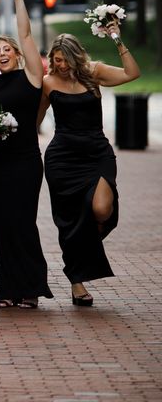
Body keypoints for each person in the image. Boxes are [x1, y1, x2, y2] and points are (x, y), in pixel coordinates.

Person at [41, 28, 140, 306]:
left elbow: (132, 73)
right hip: (62, 159)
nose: (60, 65)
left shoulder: (93, 72)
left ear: (76, 57)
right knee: (71, 222)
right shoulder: (48, 83)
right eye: (56, 60)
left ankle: (84, 251)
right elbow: (34, 120)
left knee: (101, 209)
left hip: (97, 152)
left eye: (64, 59)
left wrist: (117, 38)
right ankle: (77, 282)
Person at [0, 0, 53, 309]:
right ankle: (7, 290)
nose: (2, 53)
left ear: (17, 53)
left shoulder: (31, 77)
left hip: (24, 161)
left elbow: (25, 32)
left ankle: (32, 287)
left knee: (23, 222)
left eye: (6, 48)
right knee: (1, 225)